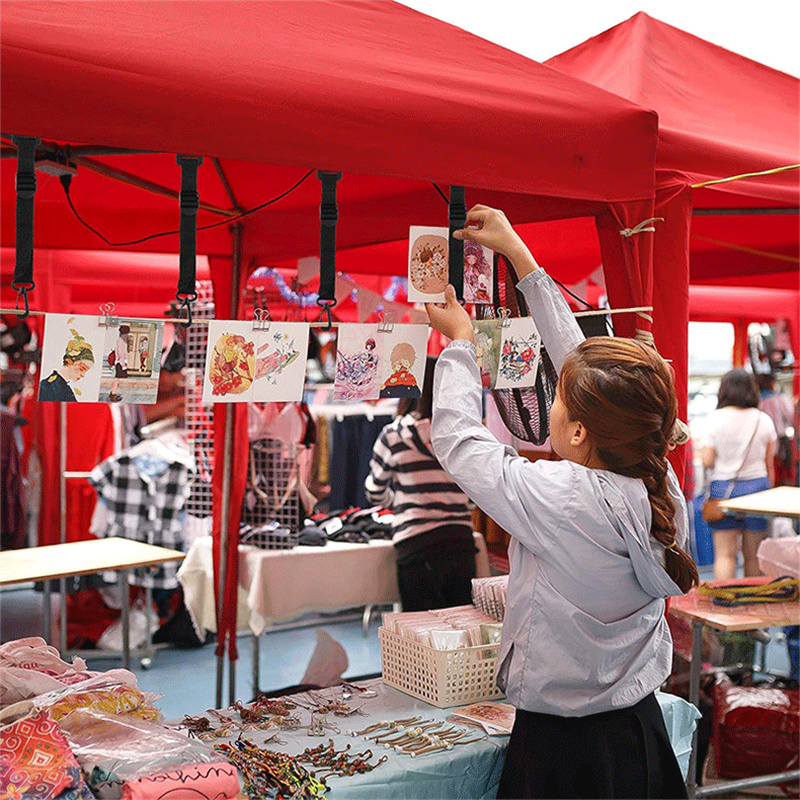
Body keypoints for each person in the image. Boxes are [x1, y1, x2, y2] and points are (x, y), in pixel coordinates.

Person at [426, 205, 696, 799]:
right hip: (638, 733)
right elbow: (585, 368)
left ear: (578, 431)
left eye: (558, 400)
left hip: (561, 754)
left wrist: (462, 346)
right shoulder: (658, 484)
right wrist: (520, 258)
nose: (549, 403)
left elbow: (459, 442)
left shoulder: (562, 498)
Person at [365, 356, 476, 612]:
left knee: (420, 632)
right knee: (461, 628)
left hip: (416, 544)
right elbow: (473, 497)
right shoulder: (463, 434)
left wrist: (401, 501)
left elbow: (374, 491)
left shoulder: (394, 435)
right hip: (460, 540)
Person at [700, 369, 777, 580]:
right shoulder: (763, 420)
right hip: (757, 490)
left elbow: (707, 460)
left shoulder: (714, 419)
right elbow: (769, 463)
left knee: (725, 555)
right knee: (753, 556)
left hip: (724, 490)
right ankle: (752, 599)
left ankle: (725, 597)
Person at [757, 372, 794, 486]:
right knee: (778, 472)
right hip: (778, 442)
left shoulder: (756, 400)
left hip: (760, 443)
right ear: (772, 383)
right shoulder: (780, 398)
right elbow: (791, 416)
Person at [38, 329, 95, 402]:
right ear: (69, 361)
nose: (83, 375)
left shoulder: (58, 386)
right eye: (82, 369)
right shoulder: (51, 387)